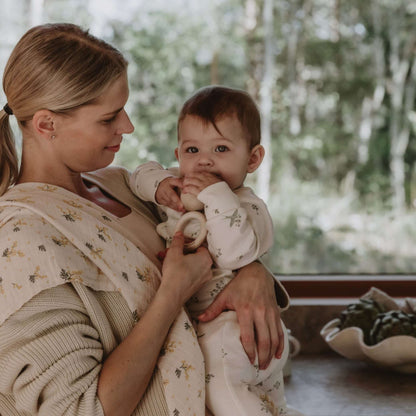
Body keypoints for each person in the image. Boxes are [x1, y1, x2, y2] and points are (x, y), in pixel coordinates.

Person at [0, 23, 290, 416]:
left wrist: (254, 272)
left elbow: (212, 240)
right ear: (47, 124)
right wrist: (172, 292)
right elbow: (79, 410)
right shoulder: (21, 240)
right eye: (109, 118)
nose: (128, 127)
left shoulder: (122, 186)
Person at [129, 86, 303, 416]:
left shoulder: (248, 207)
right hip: (216, 330)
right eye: (192, 149)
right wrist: (161, 186)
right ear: (179, 156)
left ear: (252, 159)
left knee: (226, 393)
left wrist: (215, 195)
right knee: (270, 404)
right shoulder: (179, 187)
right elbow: (139, 175)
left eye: (221, 148)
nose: (204, 160)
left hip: (234, 332)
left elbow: (233, 254)